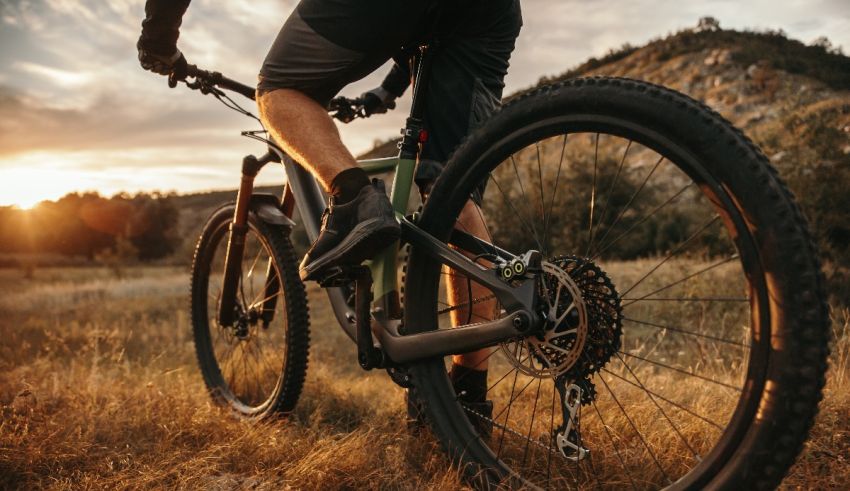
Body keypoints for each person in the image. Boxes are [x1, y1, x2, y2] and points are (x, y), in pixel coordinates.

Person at [137, 0, 522, 431]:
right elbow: (428, 25)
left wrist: (159, 39)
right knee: (450, 193)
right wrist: (386, 92)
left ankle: (355, 200)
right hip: (487, 15)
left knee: (279, 89)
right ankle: (465, 405)